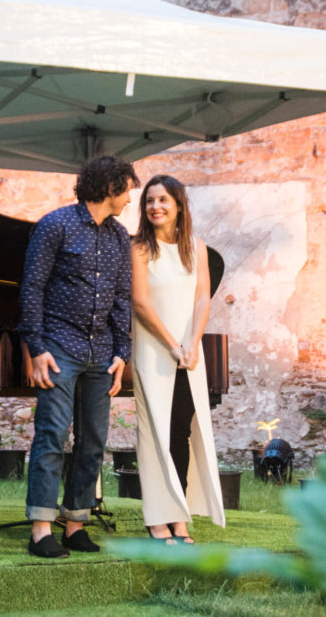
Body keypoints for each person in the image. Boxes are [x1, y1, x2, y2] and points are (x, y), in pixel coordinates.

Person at [18, 155, 140, 558]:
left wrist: (123, 353)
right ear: (110, 188)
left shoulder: (121, 236)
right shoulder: (55, 225)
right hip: (58, 348)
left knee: (93, 441)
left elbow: (123, 297)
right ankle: (40, 529)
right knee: (52, 435)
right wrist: (36, 348)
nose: (129, 199)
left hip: (102, 354)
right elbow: (32, 287)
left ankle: (75, 524)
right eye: (127, 190)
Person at [130, 174, 225, 543]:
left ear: (179, 206)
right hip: (154, 349)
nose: (155, 206)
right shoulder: (138, 249)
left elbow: (203, 298)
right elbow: (140, 302)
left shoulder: (196, 248)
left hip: (189, 353)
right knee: (154, 431)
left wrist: (192, 342)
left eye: (163, 200)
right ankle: (157, 517)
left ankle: (179, 516)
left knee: (181, 431)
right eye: (150, 201)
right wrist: (171, 344)